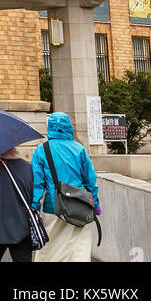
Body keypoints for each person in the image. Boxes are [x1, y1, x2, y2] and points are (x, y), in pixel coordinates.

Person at [31, 111, 100, 262]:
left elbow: (36, 183)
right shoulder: (79, 149)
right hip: (79, 206)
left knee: (50, 249)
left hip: (53, 206)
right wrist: (95, 203)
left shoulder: (42, 150)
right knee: (78, 249)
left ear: (50, 128)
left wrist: (34, 206)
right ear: (69, 127)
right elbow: (90, 180)